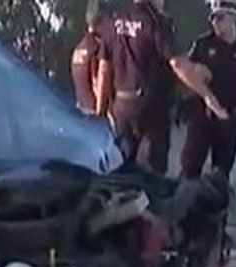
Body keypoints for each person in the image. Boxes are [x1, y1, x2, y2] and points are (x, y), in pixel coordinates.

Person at [94, 0, 221, 173]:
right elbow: (177, 63)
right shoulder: (157, 23)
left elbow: (103, 70)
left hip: (121, 107)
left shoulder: (113, 22)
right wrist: (208, 95)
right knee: (152, 173)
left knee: (120, 169)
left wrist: (100, 110)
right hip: (151, 109)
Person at [178, 0, 236, 179]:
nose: (215, 22)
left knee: (221, 172)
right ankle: (185, 204)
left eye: (220, 18)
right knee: (189, 168)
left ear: (233, 18)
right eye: (213, 18)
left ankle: (217, 204)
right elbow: (185, 72)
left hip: (231, 116)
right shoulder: (203, 44)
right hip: (202, 115)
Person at [70, 0, 108, 116]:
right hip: (94, 116)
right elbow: (97, 80)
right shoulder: (97, 47)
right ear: (100, 21)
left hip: (80, 110)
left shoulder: (79, 47)